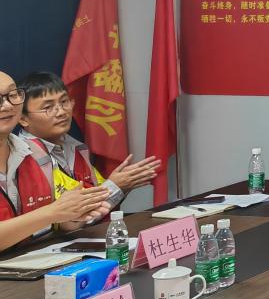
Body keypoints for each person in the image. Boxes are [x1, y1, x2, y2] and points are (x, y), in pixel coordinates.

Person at [0, 70, 111, 252]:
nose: (7, 105)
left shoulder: (30, 155)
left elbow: (49, 227)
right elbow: (48, 215)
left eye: (12, 95)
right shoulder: (38, 153)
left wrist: (71, 217)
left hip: (36, 259)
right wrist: (52, 212)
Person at [19, 71, 159, 208]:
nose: (61, 112)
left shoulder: (77, 148)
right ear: (23, 118)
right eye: (48, 107)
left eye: (64, 102)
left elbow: (97, 207)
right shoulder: (22, 157)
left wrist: (124, 185)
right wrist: (115, 186)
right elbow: (59, 216)